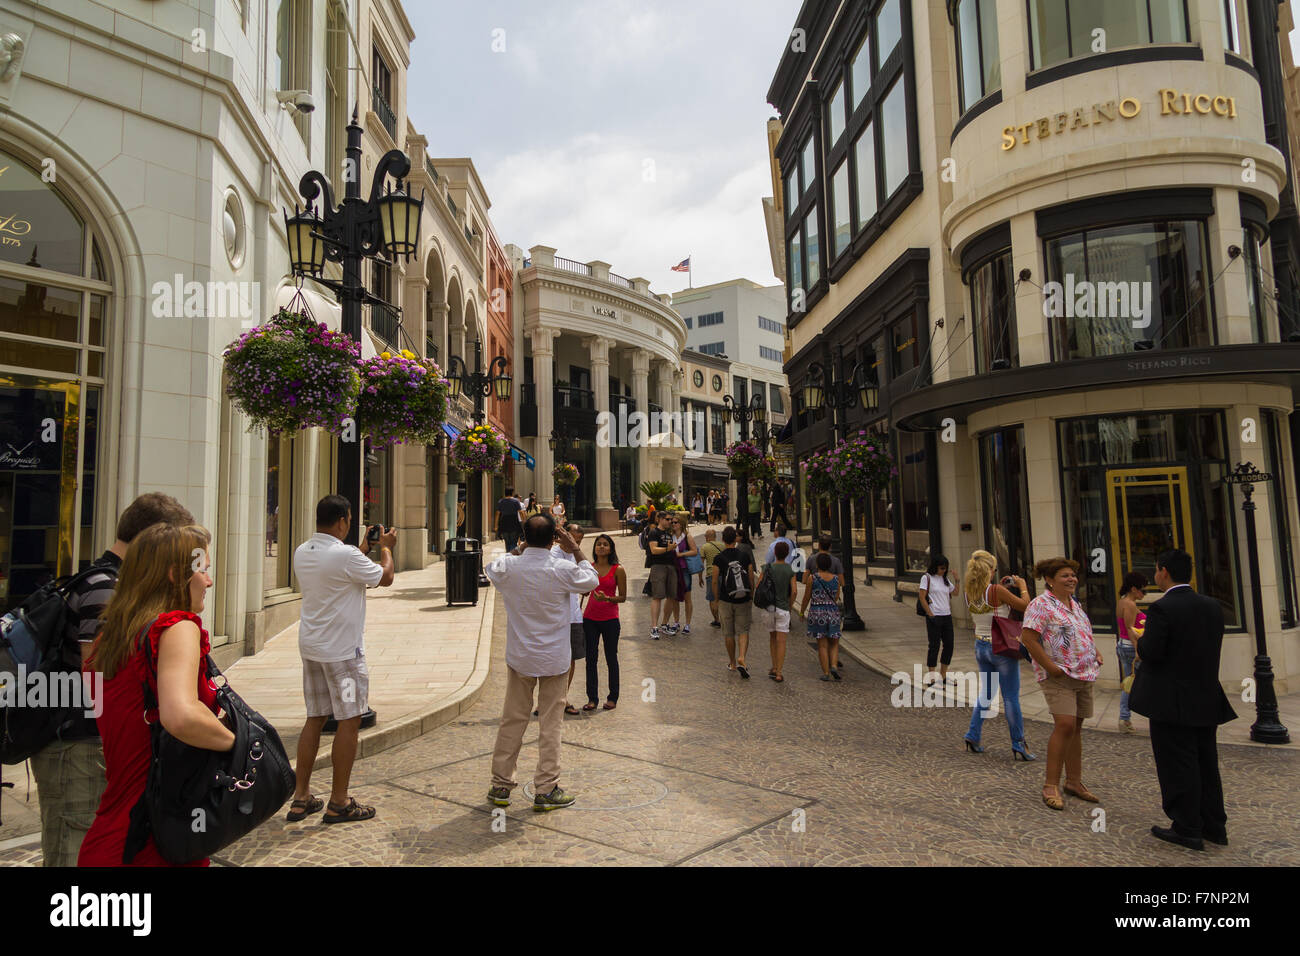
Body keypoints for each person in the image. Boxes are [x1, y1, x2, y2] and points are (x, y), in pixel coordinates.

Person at [29, 493, 193, 867]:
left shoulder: (107, 580)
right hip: (78, 743)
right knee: (76, 845)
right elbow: (101, 674)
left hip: (85, 741)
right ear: (150, 540)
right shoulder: (106, 587)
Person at [78, 523, 231, 867]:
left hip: (113, 835)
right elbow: (180, 715)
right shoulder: (176, 627)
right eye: (203, 570)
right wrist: (238, 748)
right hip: (156, 840)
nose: (208, 581)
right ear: (176, 575)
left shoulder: (114, 638)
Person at [288, 495, 395, 824]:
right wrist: (386, 548)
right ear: (342, 522)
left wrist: (362, 549)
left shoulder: (302, 552)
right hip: (343, 655)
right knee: (349, 721)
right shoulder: (346, 556)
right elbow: (385, 577)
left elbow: (339, 572)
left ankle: (301, 797)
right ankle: (339, 800)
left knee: (315, 718)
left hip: (312, 649)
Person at [485, 515, 598, 811]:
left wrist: (519, 548)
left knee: (512, 719)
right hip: (554, 658)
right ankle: (546, 788)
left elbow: (491, 568)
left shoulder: (510, 566)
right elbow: (592, 579)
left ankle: (500, 785)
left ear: (523, 537)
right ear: (554, 540)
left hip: (521, 656)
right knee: (550, 725)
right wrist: (574, 548)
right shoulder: (561, 567)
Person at [1129, 549, 1237, 851]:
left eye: (1156, 570)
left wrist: (1140, 640)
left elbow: (1153, 652)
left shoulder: (1162, 609)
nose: (1155, 575)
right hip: (1205, 696)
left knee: (1178, 763)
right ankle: (1214, 825)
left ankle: (1187, 826)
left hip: (1171, 700)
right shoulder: (1213, 606)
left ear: (1163, 571)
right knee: (1206, 762)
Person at [1020, 557, 1103, 812]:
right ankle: (1050, 785)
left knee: (1076, 728)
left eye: (1073, 575)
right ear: (1049, 579)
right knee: (1064, 725)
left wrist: (1096, 652)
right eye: (1065, 576)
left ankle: (1074, 782)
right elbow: (1028, 638)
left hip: (1083, 673)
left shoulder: (1074, 604)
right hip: (1059, 676)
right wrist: (1050, 667)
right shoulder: (1040, 605)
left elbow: (1081, 633)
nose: (1072, 579)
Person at [961, 550, 1034, 760]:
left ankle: (973, 734)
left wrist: (1001, 587)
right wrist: (1022, 587)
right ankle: (1018, 742)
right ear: (989, 571)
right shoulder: (995, 590)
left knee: (987, 693)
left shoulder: (969, 591)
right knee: (1011, 697)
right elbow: (1025, 605)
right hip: (1001, 649)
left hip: (980, 646)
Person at [582, 534, 626, 711]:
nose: (601, 547)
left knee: (611, 658)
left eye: (605, 544)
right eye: (598, 544)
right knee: (590, 659)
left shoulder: (618, 569)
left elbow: (623, 597)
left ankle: (612, 697)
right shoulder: (589, 568)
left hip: (610, 619)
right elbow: (584, 590)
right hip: (590, 618)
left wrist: (607, 598)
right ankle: (592, 698)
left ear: (610, 548)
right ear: (594, 548)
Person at [711, 526, 756, 677]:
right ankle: (742, 656)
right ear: (736, 539)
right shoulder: (744, 556)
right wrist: (751, 595)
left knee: (728, 633)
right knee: (743, 630)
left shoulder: (719, 558)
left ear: (723, 540)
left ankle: (732, 663)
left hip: (725, 599)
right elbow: (750, 577)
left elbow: (715, 581)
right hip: (743, 598)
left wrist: (716, 599)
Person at [553, 524, 587, 716]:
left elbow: (588, 577)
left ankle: (563, 697)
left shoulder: (577, 555)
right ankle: (546, 700)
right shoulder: (553, 555)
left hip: (574, 614)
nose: (575, 544)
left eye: (579, 541)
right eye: (573, 539)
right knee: (552, 658)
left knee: (571, 659)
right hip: (556, 615)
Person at [756, 540, 798, 682]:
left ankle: (773, 667)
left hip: (769, 608)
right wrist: (790, 606)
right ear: (787, 554)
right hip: (783, 608)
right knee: (782, 641)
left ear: (774, 553)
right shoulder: (790, 570)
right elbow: (794, 592)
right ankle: (779, 672)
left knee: (772, 638)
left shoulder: (766, 568)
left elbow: (758, 586)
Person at [801, 551, 843, 680]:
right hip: (833, 612)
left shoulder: (813, 578)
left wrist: (802, 611)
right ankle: (834, 666)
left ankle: (826, 673)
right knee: (834, 642)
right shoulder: (836, 579)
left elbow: (807, 597)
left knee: (822, 645)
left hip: (817, 612)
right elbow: (836, 597)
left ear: (817, 564)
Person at [1116, 571, 1147, 734]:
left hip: (1124, 645)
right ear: (1134, 589)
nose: (1144, 593)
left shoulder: (1122, 602)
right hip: (1130, 647)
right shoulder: (1130, 604)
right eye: (1143, 590)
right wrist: (1137, 650)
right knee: (1133, 684)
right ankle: (1124, 718)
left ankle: (1125, 717)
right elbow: (1130, 629)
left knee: (1131, 683)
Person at [919, 555, 957, 686]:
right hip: (934, 616)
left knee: (949, 645)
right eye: (941, 568)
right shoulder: (927, 578)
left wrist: (957, 580)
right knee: (934, 646)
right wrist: (930, 614)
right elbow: (922, 597)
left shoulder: (945, 579)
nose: (943, 570)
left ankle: (943, 675)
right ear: (935, 566)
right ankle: (931, 677)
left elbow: (955, 593)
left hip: (947, 616)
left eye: (945, 569)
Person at [646, 511, 678, 639]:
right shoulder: (654, 532)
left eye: (671, 520)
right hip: (658, 566)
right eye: (668, 519)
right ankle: (654, 627)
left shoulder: (669, 533)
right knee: (657, 596)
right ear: (660, 519)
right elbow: (653, 550)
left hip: (671, 566)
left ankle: (664, 624)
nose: (670, 522)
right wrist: (667, 549)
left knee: (671, 596)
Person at [670, 514, 700, 634]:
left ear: (681, 524)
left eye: (675, 522)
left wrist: (681, 554)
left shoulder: (687, 536)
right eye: (672, 522)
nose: (673, 524)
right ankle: (676, 622)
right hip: (673, 569)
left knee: (687, 596)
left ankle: (687, 624)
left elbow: (694, 551)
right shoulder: (670, 536)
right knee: (674, 597)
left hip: (684, 569)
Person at [700, 527, 723, 628]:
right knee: (723, 598)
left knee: (712, 598)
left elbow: (701, 565)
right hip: (723, 574)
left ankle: (717, 620)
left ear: (707, 537)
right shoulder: (723, 545)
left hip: (711, 575)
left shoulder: (704, 547)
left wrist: (700, 577)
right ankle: (724, 619)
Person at [494, 486, 525, 553]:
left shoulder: (501, 501)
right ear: (512, 493)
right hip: (514, 523)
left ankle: (508, 555)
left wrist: (496, 526)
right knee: (513, 542)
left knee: (507, 542)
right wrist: (524, 522)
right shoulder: (516, 501)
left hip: (504, 524)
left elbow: (497, 514)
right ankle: (511, 556)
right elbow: (521, 512)